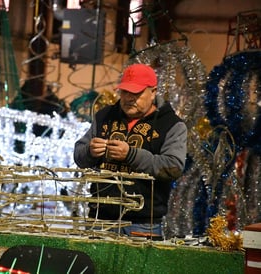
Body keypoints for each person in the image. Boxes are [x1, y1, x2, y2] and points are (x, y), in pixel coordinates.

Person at [73, 63, 187, 237]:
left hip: (142, 223)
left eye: (136, 93)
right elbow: (79, 156)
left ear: (153, 92)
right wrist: (90, 151)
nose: (128, 98)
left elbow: (173, 166)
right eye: (125, 92)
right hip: (100, 219)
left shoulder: (172, 125)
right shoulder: (105, 116)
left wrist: (131, 155)